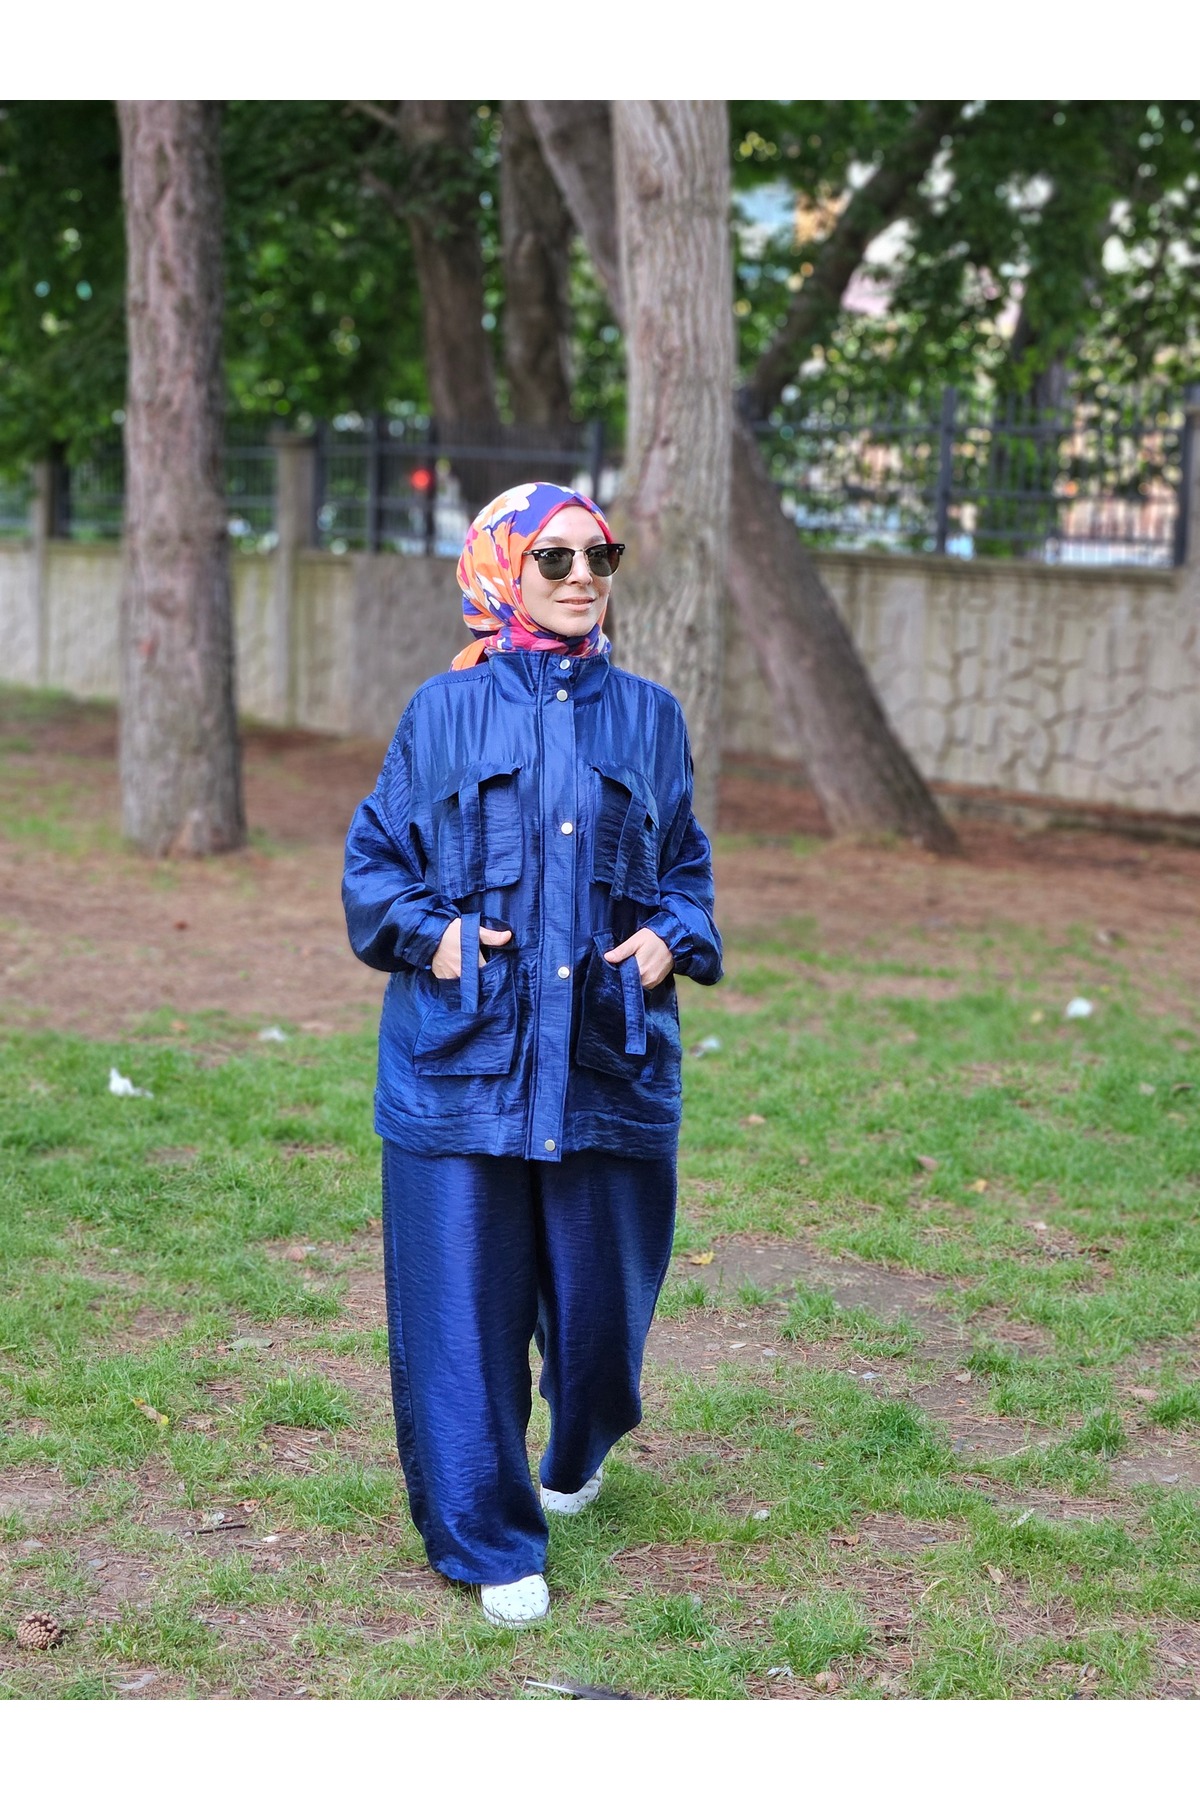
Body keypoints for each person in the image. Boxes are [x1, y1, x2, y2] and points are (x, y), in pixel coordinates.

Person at [342, 481, 722, 1628]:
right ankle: (488, 1540)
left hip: (607, 1060)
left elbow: (686, 871)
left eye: (599, 555)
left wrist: (672, 937)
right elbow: (373, 871)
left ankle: (583, 1439)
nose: (580, 576)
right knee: (461, 1321)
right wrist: (437, 937)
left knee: (603, 1324)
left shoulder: (650, 717)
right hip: (461, 1065)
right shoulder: (441, 713)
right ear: (501, 570)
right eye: (552, 557)